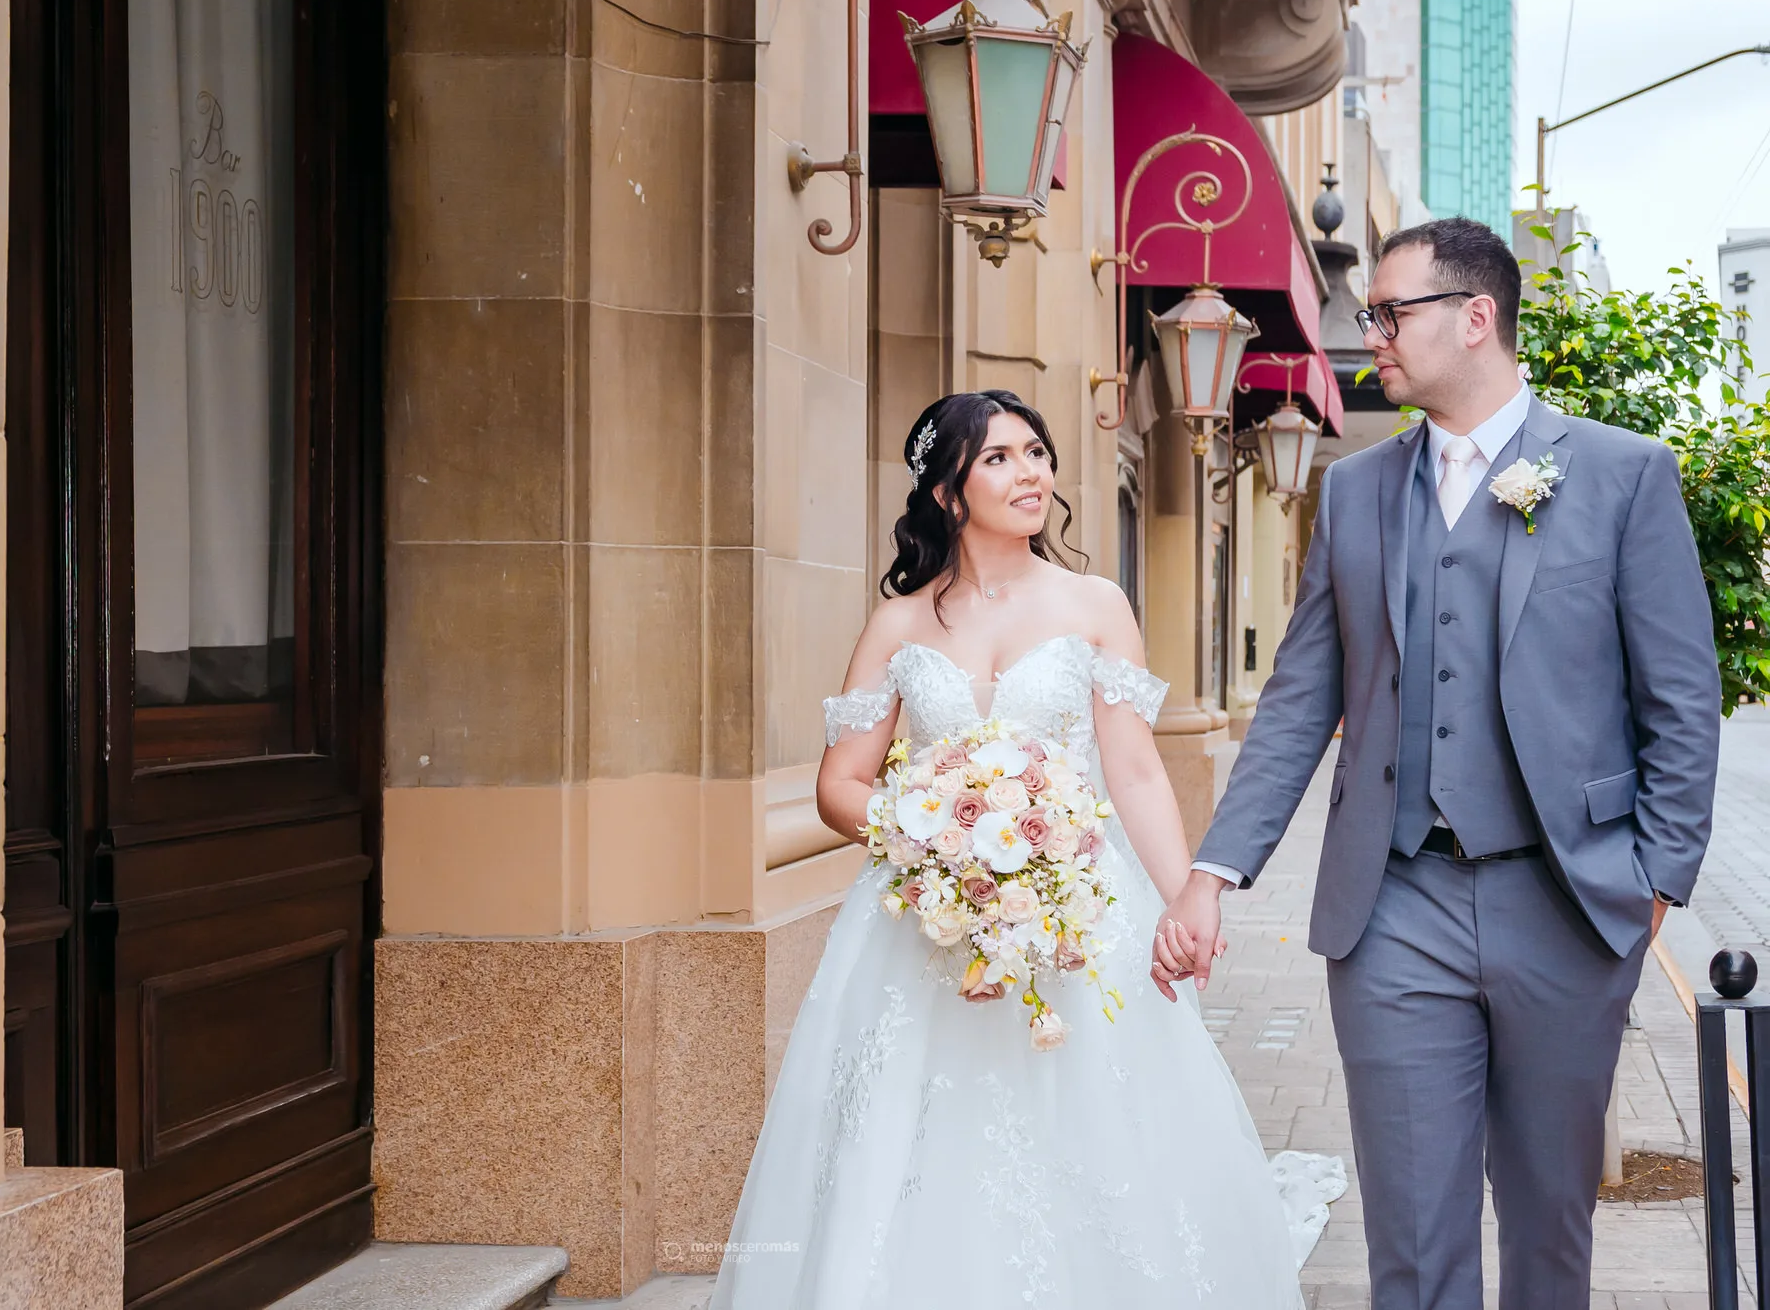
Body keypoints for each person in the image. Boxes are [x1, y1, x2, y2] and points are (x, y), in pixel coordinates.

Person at [1155, 217, 1722, 1310]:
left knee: (1550, 1223)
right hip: (1393, 902)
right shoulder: (1359, 491)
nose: (1371, 335)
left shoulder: (1620, 474)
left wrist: (1655, 878)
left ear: (1476, 317)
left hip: (1565, 900)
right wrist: (1212, 871)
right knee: (1410, 1235)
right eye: (1369, 314)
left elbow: (1679, 699)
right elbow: (1297, 700)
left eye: (1389, 312)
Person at [711, 389, 1337, 1310]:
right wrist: (932, 835)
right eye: (999, 457)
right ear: (946, 493)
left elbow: (1133, 773)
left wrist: (1185, 899)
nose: (1031, 471)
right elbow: (840, 783)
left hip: (1080, 911)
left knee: (1092, 1124)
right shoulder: (899, 622)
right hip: (924, 924)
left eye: (1037, 452)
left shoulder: (1095, 604)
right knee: (918, 1134)